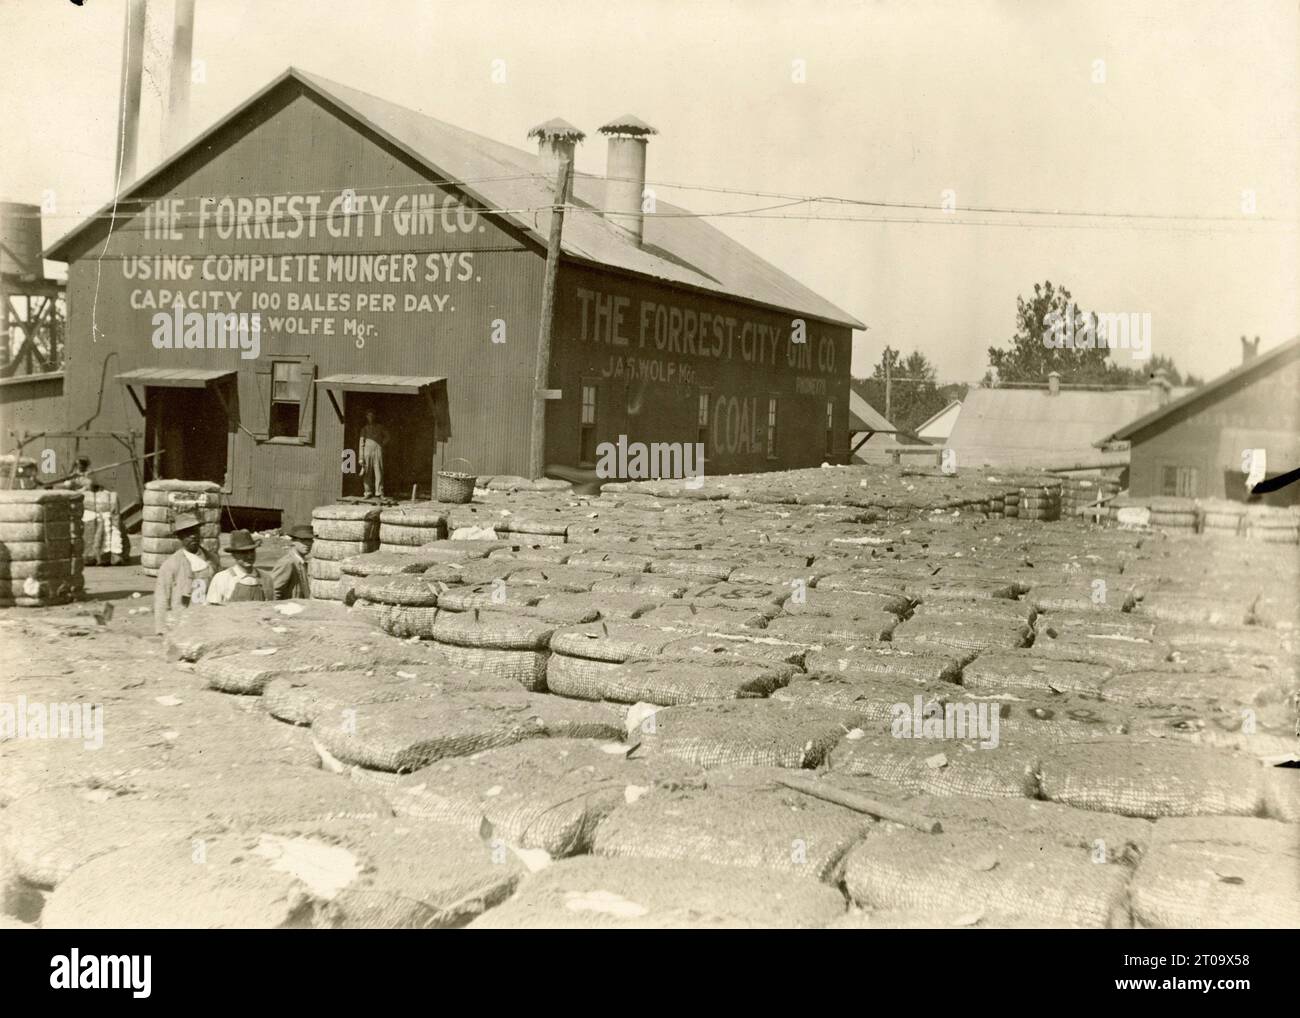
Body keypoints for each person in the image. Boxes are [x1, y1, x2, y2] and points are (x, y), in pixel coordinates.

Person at [153, 513, 220, 635]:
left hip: (208, 621)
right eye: (188, 533)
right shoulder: (170, 565)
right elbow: (162, 598)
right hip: (182, 623)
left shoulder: (212, 561)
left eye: (195, 531)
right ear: (180, 537)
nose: (193, 536)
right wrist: (162, 629)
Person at [206, 529, 274, 604]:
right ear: (234, 555)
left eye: (251, 551)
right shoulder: (222, 578)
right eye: (243, 552)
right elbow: (213, 609)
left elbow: (270, 606)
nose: (249, 556)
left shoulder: (266, 578)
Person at [271, 523, 313, 600]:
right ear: (293, 541)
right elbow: (273, 592)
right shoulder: (287, 563)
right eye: (303, 540)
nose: (307, 544)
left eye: (310, 540)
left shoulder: (302, 563)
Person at [359, 410, 390, 498]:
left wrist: (381, 444)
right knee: (367, 472)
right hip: (367, 452)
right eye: (368, 416)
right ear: (366, 417)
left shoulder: (380, 427)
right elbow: (361, 443)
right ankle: (367, 492)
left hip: (377, 451)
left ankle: (379, 492)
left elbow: (388, 437)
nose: (370, 418)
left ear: (374, 417)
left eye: (372, 416)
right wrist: (361, 458)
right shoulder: (364, 429)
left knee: (379, 471)